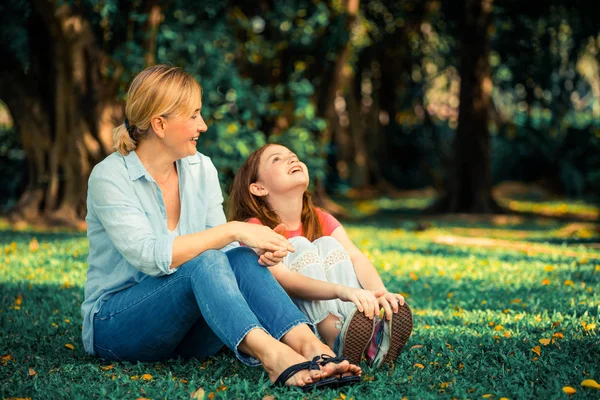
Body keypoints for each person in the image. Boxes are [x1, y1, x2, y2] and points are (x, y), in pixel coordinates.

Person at [80, 65, 362, 391]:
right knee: (208, 257)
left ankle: (314, 348)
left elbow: (228, 257)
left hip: (189, 332)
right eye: (194, 116)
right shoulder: (111, 176)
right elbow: (150, 257)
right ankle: (275, 356)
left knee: (241, 257)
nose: (203, 125)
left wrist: (255, 252)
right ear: (160, 124)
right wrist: (233, 231)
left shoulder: (201, 168)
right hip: (119, 327)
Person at [228, 144, 413, 367]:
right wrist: (343, 291)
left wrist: (378, 292)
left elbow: (355, 257)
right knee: (299, 245)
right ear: (258, 188)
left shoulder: (320, 218)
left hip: (335, 306)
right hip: (288, 323)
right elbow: (284, 281)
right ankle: (335, 336)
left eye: (293, 156)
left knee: (328, 243)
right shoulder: (255, 228)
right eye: (277, 159)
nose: (292, 160)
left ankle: (363, 333)